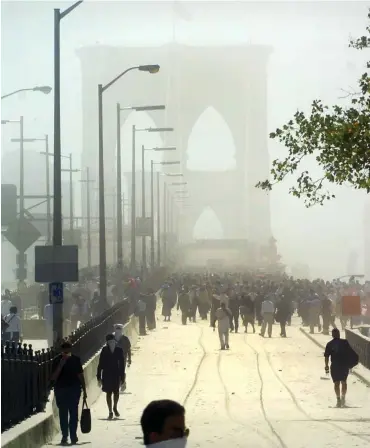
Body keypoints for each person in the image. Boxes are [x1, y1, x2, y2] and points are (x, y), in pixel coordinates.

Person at [50, 340, 87, 445]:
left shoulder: (76, 360)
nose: (66, 353)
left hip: (74, 390)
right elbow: (53, 377)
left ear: (70, 350)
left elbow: (80, 375)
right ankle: (65, 436)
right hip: (61, 390)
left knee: (74, 414)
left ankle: (73, 436)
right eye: (64, 351)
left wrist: (84, 390)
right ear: (61, 351)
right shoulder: (57, 360)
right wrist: (61, 365)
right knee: (63, 415)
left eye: (68, 351)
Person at [324, 328, 358, 408]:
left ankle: (338, 400)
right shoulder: (344, 342)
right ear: (339, 334)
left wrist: (326, 366)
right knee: (343, 382)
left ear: (332, 335)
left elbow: (326, 356)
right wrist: (351, 363)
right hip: (343, 365)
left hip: (335, 365)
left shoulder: (330, 344)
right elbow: (351, 353)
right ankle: (343, 398)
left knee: (336, 383)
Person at [97, 334, 125, 419]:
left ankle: (115, 407)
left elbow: (122, 364)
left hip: (116, 374)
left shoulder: (119, 350)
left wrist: (122, 376)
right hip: (107, 374)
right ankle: (110, 411)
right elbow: (100, 364)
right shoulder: (104, 350)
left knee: (116, 392)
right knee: (109, 393)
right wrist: (99, 376)